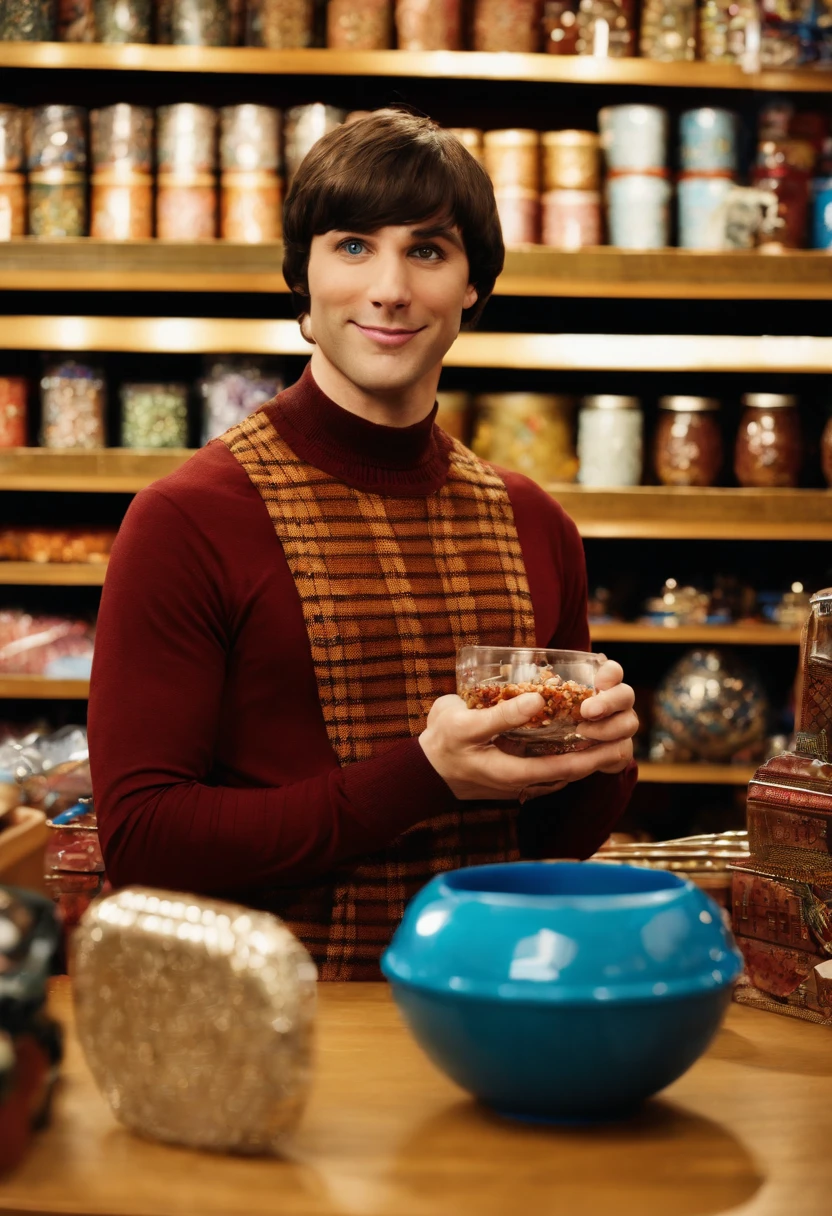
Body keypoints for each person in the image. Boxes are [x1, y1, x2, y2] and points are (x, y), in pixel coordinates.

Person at [88, 110, 638, 980]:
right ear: (301, 282)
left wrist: (602, 760)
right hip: (264, 1026)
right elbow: (144, 841)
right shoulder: (188, 519)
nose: (390, 288)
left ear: (473, 290)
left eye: (428, 250)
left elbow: (541, 842)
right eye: (352, 246)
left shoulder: (535, 523)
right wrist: (425, 774)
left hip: (490, 999)